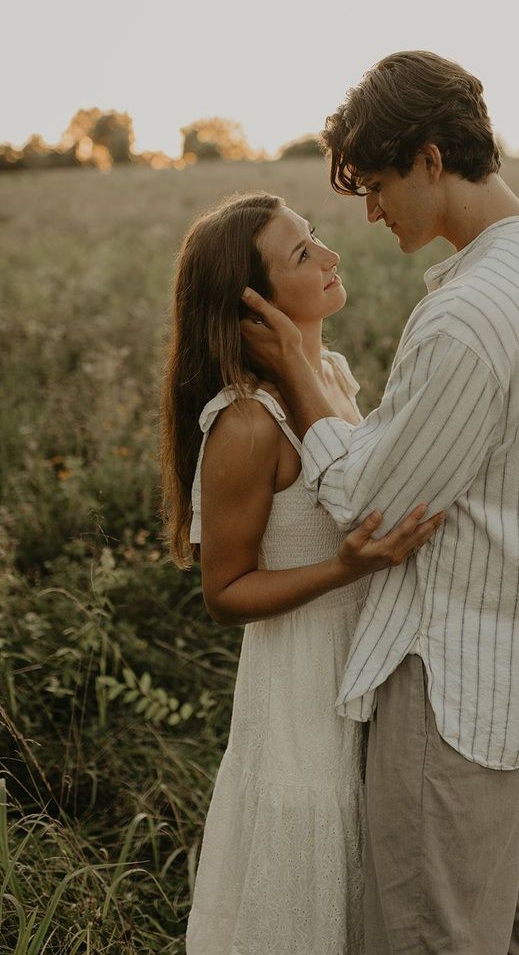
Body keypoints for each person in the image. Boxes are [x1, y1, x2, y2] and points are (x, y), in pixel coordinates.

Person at [241, 51, 519, 955]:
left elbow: (370, 513)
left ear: (427, 158)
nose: (369, 214)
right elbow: (435, 460)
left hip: (457, 694)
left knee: (431, 940)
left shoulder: (468, 315)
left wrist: (301, 379)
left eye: (376, 186)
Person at [159, 191, 444, 955]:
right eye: (302, 255)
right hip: (298, 697)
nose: (330, 256)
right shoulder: (248, 423)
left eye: (315, 238)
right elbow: (224, 593)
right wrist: (342, 566)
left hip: (362, 677)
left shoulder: (332, 377)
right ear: (250, 305)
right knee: (303, 901)